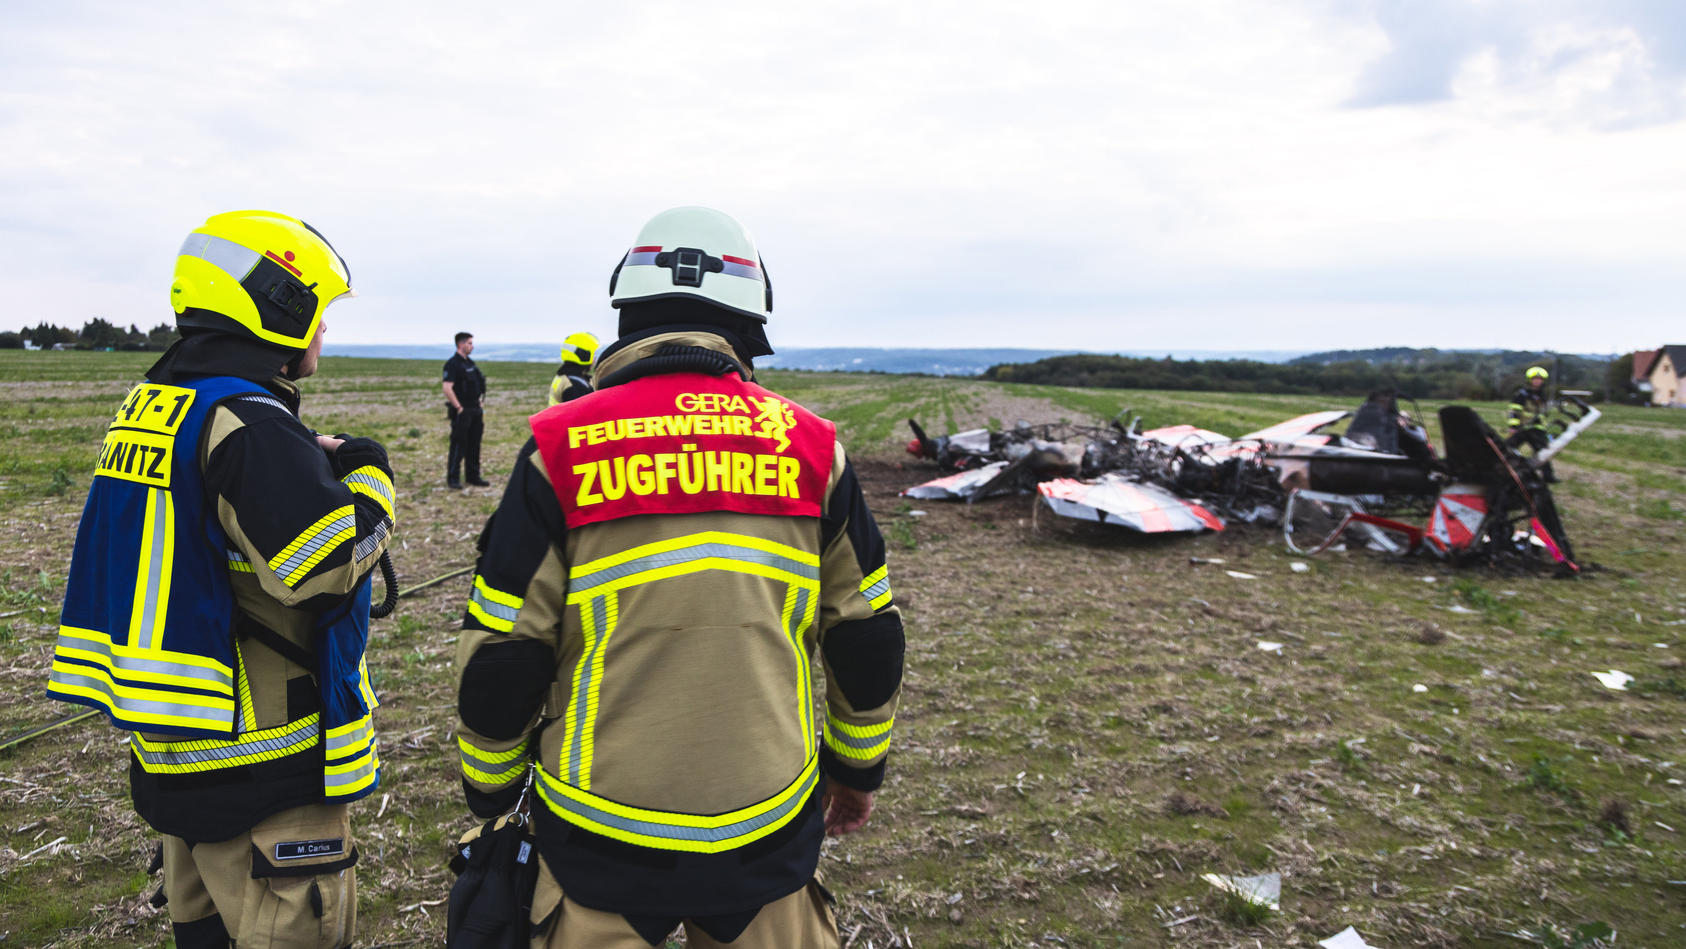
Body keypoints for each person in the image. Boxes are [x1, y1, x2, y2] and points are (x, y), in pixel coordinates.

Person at [453, 207, 904, 948]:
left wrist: (491, 788)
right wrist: (858, 770)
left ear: (627, 316)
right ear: (748, 330)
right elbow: (868, 637)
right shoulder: (815, 449)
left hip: (598, 837)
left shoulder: (557, 448)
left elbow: (503, 654)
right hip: (767, 830)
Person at [47, 210, 395, 948]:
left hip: (177, 755)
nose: (323, 333)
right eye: (320, 313)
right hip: (265, 770)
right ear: (279, 307)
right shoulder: (248, 422)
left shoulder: (154, 404)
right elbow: (327, 562)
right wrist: (370, 474)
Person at [444, 331, 489, 488]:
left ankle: (473, 476)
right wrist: (459, 407)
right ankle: (453, 479)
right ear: (461, 344)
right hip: (462, 412)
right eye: (469, 343)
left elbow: (479, 384)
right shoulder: (452, 364)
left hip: (475, 410)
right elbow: (447, 387)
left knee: (474, 445)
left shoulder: (470, 364)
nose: (472, 346)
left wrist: (480, 402)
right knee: (459, 445)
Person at [549, 331, 600, 405]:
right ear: (583, 355)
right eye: (593, 354)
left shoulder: (564, 377)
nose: (594, 359)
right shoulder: (575, 386)